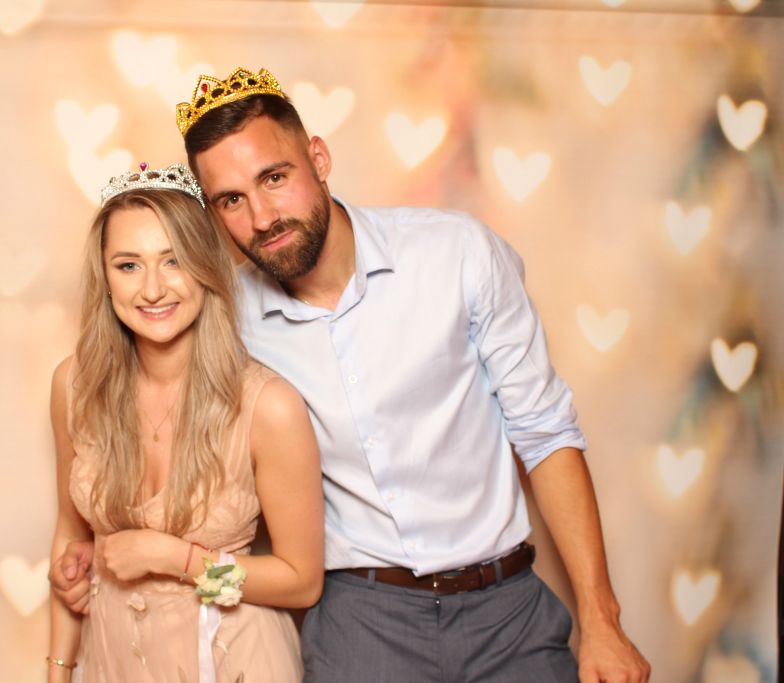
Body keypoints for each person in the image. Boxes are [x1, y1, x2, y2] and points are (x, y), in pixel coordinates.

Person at [52, 69, 650, 682]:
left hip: (507, 608)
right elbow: (144, 409)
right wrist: (93, 556)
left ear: (319, 157)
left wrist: (601, 619)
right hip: (359, 618)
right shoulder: (221, 315)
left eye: (274, 178)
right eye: (231, 200)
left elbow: (546, 434)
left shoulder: (457, 255)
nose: (262, 216)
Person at [46, 162, 324, 683]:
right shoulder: (74, 386)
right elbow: (70, 535)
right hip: (112, 660)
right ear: (105, 278)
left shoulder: (268, 406)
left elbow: (300, 583)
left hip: (232, 661)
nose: (152, 289)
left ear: (206, 267)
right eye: (129, 265)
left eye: (173, 260)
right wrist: (58, 668)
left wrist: (178, 560)